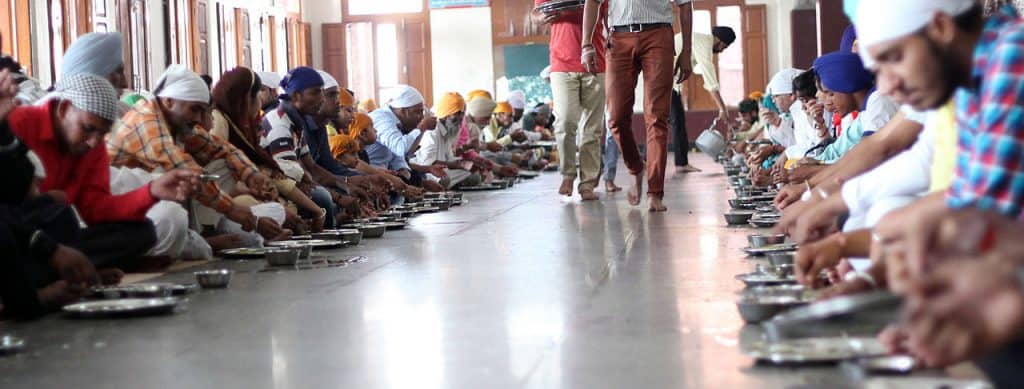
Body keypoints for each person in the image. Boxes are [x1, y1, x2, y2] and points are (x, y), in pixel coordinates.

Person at [109, 65, 287, 246]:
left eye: (203, 112)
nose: (201, 120)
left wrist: (250, 174)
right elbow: (185, 170)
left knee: (270, 209)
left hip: (158, 209)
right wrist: (239, 214)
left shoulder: (177, 121)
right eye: (195, 110)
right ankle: (201, 240)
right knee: (180, 211)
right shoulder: (147, 122)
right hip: (125, 215)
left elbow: (224, 148)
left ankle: (206, 235)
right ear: (170, 102)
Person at [583, 0, 694, 212]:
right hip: (618, 38)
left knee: (656, 117)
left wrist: (686, 52)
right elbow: (593, 2)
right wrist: (586, 44)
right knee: (615, 117)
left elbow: (685, 4)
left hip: (658, 36)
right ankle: (636, 167)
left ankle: (655, 192)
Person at [211, 67, 329, 233]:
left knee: (288, 207)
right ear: (246, 99)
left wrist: (318, 209)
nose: (322, 99)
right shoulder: (219, 121)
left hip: (242, 193)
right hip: (218, 199)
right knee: (280, 208)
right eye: (317, 92)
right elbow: (215, 175)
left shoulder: (245, 127)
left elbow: (271, 174)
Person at [533, 0, 607, 200]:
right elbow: (536, 14)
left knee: (592, 128)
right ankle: (567, 174)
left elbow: (609, 16)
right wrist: (540, 18)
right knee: (565, 121)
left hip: (596, 61)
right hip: (561, 62)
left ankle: (587, 184)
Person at [369, 85, 448, 186]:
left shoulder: (398, 124)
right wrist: (422, 126)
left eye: (422, 112)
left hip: (386, 175)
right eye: (418, 112)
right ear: (403, 111)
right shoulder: (383, 120)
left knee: (414, 177)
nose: (421, 117)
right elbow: (401, 148)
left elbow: (401, 156)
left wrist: (421, 172)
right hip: (369, 175)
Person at [411, 92, 482, 189]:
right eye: (457, 114)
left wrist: (468, 163)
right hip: (427, 173)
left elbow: (450, 160)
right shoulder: (432, 132)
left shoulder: (448, 132)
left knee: (474, 176)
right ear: (445, 115)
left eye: (462, 114)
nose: (460, 118)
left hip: (442, 171)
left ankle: (452, 185)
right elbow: (429, 163)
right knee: (444, 179)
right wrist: (460, 164)